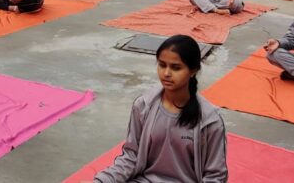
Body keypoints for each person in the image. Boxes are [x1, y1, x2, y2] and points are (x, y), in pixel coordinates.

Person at [92, 35, 228, 182]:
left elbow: (215, 176)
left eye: (176, 68)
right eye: (162, 65)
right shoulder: (143, 106)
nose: (166, 73)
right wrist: (102, 181)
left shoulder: (210, 120)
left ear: (193, 70)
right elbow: (131, 156)